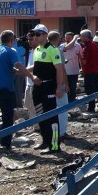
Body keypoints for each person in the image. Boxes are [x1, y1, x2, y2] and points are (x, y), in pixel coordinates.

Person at [0, 30, 38, 150]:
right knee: (7, 116)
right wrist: (32, 77)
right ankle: (5, 142)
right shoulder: (11, 51)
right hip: (5, 89)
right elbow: (18, 66)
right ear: (11, 41)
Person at [29, 24, 65, 153]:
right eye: (34, 34)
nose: (35, 37)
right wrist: (22, 71)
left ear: (45, 35)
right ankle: (45, 141)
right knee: (40, 115)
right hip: (37, 87)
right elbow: (36, 67)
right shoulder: (37, 50)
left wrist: (59, 88)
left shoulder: (53, 50)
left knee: (51, 117)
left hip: (49, 86)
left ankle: (54, 145)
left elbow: (59, 70)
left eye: (38, 34)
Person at [48, 31, 69, 138]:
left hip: (48, 85)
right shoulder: (56, 50)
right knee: (62, 108)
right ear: (56, 39)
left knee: (51, 109)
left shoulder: (42, 49)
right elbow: (61, 70)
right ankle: (61, 133)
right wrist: (65, 84)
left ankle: (52, 132)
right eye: (60, 38)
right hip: (58, 84)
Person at [80, 30, 98, 112]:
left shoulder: (87, 47)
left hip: (90, 71)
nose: (81, 38)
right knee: (97, 88)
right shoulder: (95, 45)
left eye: (82, 36)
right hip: (97, 69)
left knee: (89, 89)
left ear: (86, 37)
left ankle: (91, 108)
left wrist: (79, 56)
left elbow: (84, 61)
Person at [61, 32, 82, 112]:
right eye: (66, 38)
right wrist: (74, 39)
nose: (66, 39)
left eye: (69, 38)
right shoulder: (63, 46)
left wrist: (81, 68)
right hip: (65, 72)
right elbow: (67, 48)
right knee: (65, 89)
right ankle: (65, 104)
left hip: (74, 71)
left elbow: (80, 57)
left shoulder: (78, 46)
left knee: (72, 88)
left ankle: (72, 105)